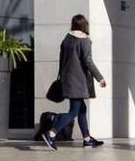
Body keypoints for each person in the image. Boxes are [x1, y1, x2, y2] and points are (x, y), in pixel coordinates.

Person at [41, 14, 107, 150]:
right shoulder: (85, 40)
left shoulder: (67, 39)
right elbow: (88, 61)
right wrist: (99, 77)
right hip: (78, 81)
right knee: (73, 112)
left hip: (67, 79)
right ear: (84, 25)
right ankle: (51, 134)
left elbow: (61, 60)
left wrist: (61, 76)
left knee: (82, 109)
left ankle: (87, 139)